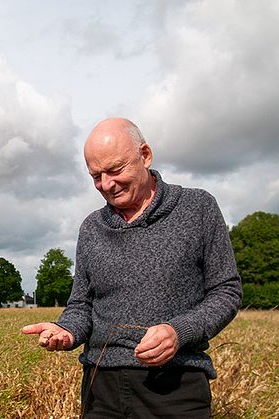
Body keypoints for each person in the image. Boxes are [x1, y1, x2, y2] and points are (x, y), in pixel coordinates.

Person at [22, 117, 242, 418]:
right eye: (96, 176)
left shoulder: (197, 208)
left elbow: (226, 291)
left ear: (145, 155)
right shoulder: (91, 228)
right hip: (100, 388)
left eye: (115, 170)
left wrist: (178, 332)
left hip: (176, 388)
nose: (107, 184)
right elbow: (81, 305)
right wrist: (67, 331)